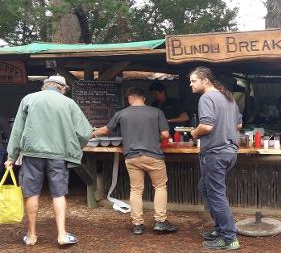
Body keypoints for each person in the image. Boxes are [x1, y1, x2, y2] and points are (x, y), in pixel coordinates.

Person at [4, 75, 92, 246]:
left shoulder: (28, 99)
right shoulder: (68, 103)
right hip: (58, 156)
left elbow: (17, 130)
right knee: (59, 194)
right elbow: (84, 133)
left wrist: (11, 157)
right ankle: (61, 235)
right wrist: (72, 147)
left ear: (45, 86)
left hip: (31, 155)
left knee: (32, 193)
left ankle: (31, 236)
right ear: (63, 88)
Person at [92, 88, 178, 235]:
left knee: (136, 190)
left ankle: (137, 224)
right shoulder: (156, 112)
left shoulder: (122, 113)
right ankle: (160, 222)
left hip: (132, 157)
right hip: (153, 156)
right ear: (144, 98)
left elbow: (106, 130)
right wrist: (153, 139)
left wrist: (92, 133)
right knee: (160, 187)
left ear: (130, 98)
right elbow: (165, 134)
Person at [189, 67, 242, 251]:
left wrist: (194, 133)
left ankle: (229, 238)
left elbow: (206, 126)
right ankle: (220, 229)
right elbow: (239, 124)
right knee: (204, 188)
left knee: (216, 194)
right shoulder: (228, 98)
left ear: (205, 81)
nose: (191, 84)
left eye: (193, 81)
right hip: (229, 152)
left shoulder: (207, 98)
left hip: (215, 154)